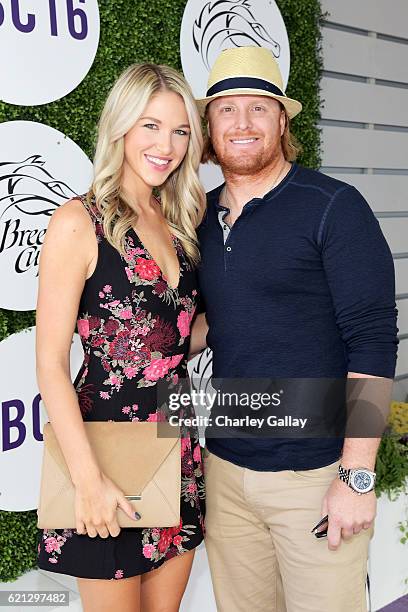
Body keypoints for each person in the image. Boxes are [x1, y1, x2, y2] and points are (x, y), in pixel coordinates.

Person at [191, 46, 398, 611]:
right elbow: (220, 320)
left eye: (258, 108)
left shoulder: (333, 207)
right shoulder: (198, 217)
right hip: (226, 472)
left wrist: (356, 475)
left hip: (315, 476)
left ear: (283, 121)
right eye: (226, 109)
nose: (242, 124)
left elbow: (374, 338)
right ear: (208, 127)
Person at [36, 62, 206, 612]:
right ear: (120, 128)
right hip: (104, 457)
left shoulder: (179, 222)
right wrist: (88, 480)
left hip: (174, 445)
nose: (168, 145)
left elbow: (176, 340)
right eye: (150, 126)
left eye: (181, 131)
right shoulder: (77, 222)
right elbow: (49, 364)